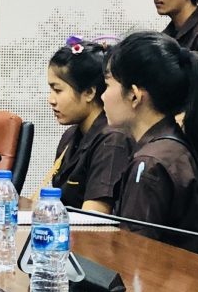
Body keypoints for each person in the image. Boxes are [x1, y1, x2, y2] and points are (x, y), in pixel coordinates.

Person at [102, 31, 198, 257]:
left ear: (134, 95)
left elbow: (134, 256)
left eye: (108, 85)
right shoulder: (172, 147)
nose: (103, 96)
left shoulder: (150, 163)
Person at [46, 39, 134, 213]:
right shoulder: (70, 136)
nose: (51, 100)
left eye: (58, 90)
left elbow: (93, 217)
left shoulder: (112, 141)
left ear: (89, 92)